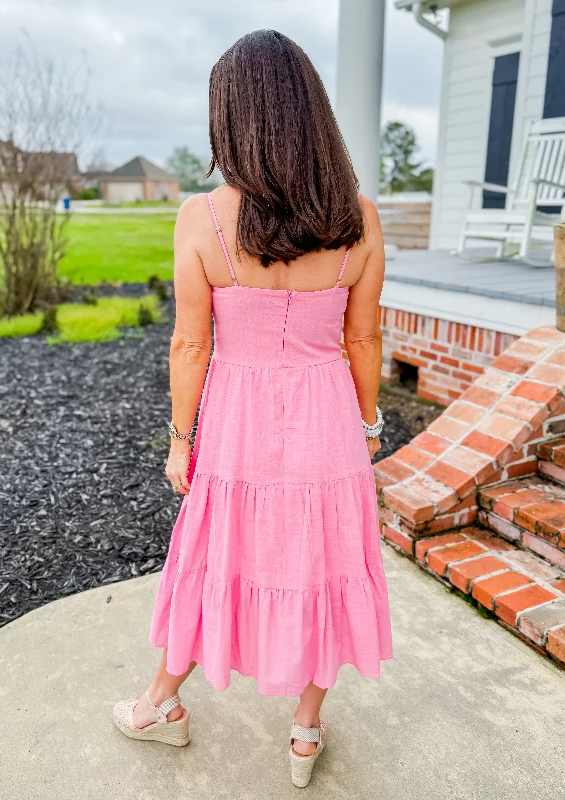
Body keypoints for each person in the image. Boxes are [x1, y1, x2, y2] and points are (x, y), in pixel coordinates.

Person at [113, 29, 392, 788]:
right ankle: (305, 733)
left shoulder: (202, 218)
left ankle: (160, 706)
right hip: (326, 420)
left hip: (236, 426)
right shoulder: (359, 218)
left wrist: (180, 443)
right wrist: (367, 424)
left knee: (212, 561)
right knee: (326, 567)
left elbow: (189, 348)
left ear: (232, 118)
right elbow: (363, 339)